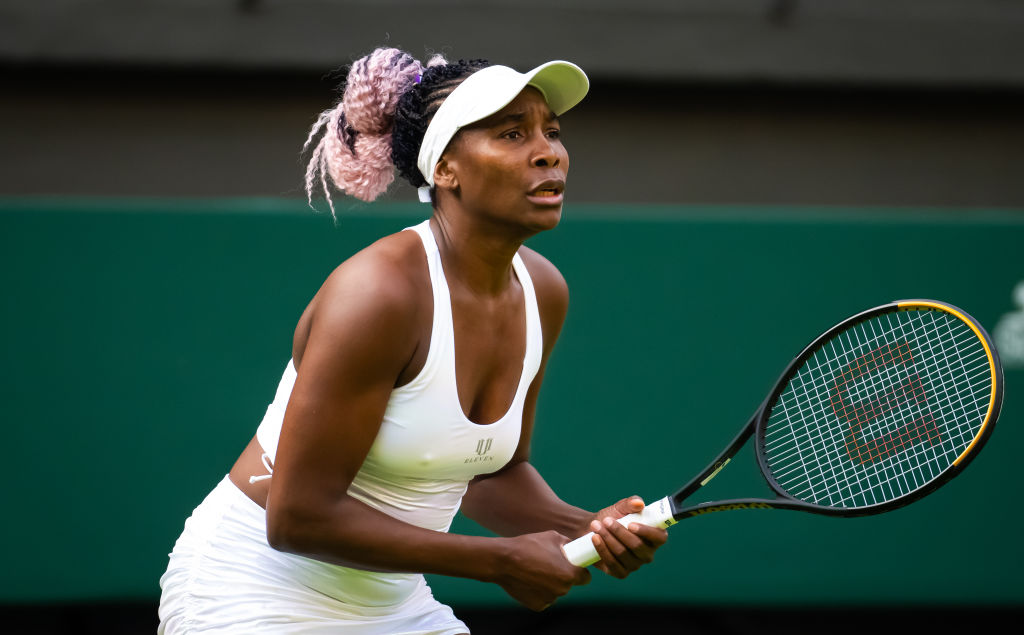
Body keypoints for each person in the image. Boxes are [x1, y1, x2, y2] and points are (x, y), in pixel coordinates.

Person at [157, 47, 668, 634]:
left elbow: (485, 472)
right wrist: (501, 560)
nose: (548, 152)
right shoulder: (380, 293)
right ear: (445, 170)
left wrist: (584, 528)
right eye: (510, 134)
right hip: (250, 591)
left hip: (391, 603)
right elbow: (296, 517)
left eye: (551, 132)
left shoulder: (543, 290)